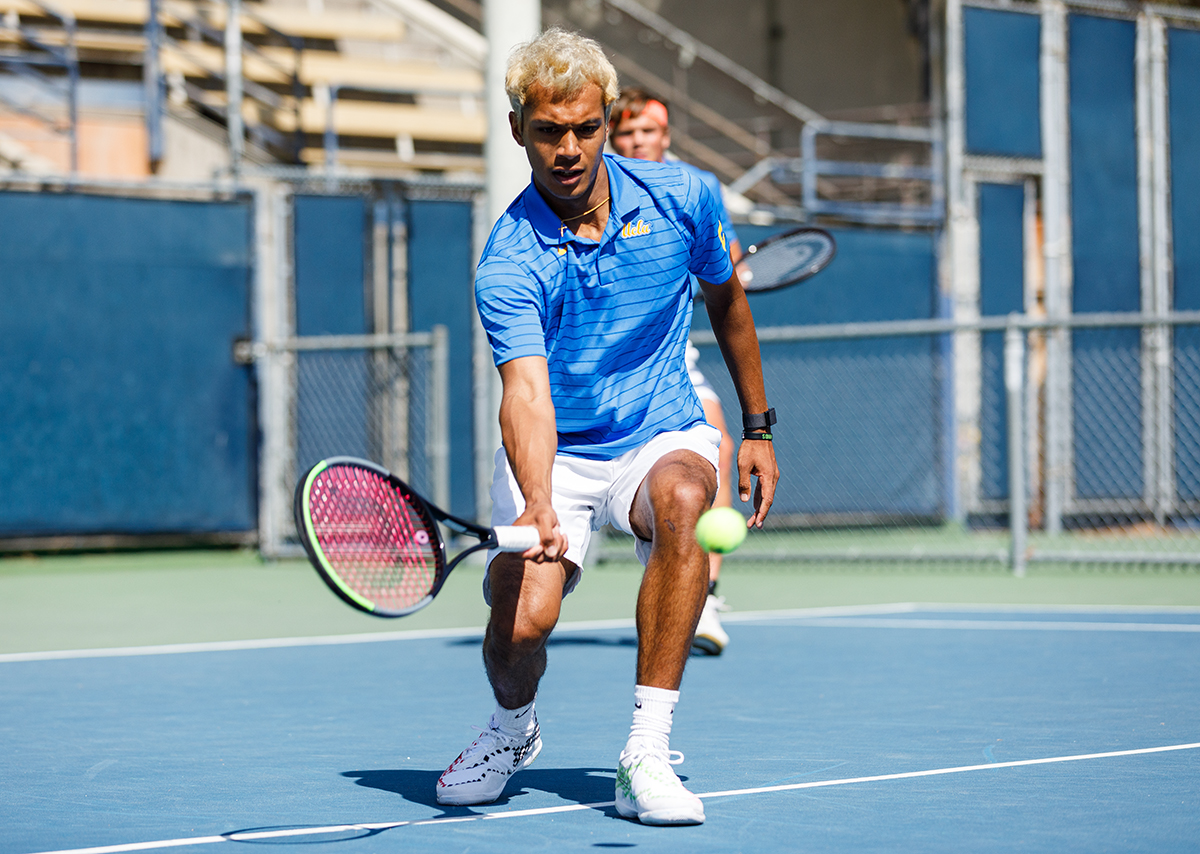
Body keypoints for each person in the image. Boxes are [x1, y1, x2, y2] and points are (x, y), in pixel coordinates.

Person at [436, 28, 779, 827]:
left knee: (688, 500)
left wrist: (757, 426)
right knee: (520, 625)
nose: (568, 148)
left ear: (609, 118)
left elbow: (727, 301)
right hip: (560, 449)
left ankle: (646, 753)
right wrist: (536, 499)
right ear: (518, 127)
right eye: (549, 130)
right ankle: (512, 730)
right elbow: (524, 394)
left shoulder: (683, 196)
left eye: (586, 128)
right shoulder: (509, 261)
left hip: (659, 427)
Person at [608, 87, 741, 656]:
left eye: (648, 131)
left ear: (666, 136)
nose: (638, 141)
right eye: (628, 133)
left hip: (670, 347)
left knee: (720, 444)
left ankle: (704, 600)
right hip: (599, 353)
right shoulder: (594, 186)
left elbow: (725, 260)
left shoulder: (697, 188)